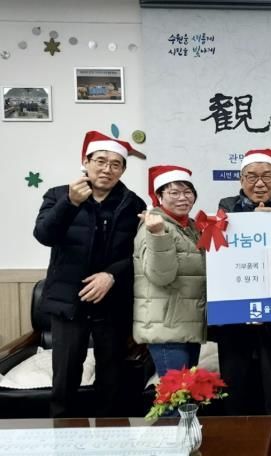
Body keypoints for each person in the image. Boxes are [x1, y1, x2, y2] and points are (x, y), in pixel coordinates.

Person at [33, 130, 146, 417]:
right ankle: (62, 434)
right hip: (68, 300)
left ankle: (111, 436)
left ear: (123, 170)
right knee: (65, 376)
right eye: (100, 161)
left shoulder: (133, 204)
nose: (107, 169)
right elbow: (44, 235)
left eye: (115, 164)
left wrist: (111, 275)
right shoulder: (58, 195)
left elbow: (140, 253)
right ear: (86, 162)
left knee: (112, 378)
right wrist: (69, 203)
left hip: (112, 301)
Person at [216, 148, 271, 415]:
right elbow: (219, 257)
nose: (259, 183)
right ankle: (237, 436)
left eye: (267, 176)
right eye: (251, 176)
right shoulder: (225, 210)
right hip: (234, 314)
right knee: (234, 384)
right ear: (241, 180)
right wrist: (253, 222)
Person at [133, 165, 206, 380]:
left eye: (187, 192)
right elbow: (160, 275)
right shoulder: (153, 226)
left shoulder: (191, 227)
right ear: (159, 197)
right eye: (174, 192)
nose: (183, 198)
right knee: (175, 394)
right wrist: (158, 235)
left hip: (187, 324)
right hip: (166, 327)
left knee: (187, 391)